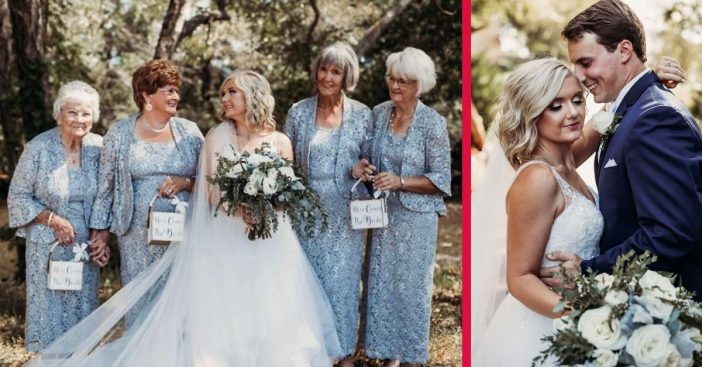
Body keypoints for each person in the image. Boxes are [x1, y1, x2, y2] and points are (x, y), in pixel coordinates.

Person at [26, 70, 342, 366]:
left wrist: (264, 210)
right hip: (226, 234)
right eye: (223, 93)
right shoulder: (217, 136)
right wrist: (239, 208)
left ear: (253, 95)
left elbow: (287, 191)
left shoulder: (280, 141)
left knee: (270, 303)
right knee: (227, 303)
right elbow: (209, 188)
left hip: (271, 238)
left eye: (232, 92)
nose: (225, 99)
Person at [541, 0, 702, 302]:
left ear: (625, 51)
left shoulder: (654, 118)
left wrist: (589, 270)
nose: (578, 76)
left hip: (664, 305)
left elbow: (671, 232)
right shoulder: (629, 112)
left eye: (586, 63)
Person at [353, 47, 451, 367]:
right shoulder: (379, 113)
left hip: (416, 218)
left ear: (419, 84)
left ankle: (408, 356)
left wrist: (401, 180)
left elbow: (440, 179)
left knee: (410, 289)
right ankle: (385, 355)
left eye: (404, 81)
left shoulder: (432, 122)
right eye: (391, 79)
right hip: (383, 215)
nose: (395, 86)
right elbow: (366, 153)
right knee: (380, 283)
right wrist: (366, 168)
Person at [284, 42, 372, 366]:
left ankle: (344, 353)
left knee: (344, 284)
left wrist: (361, 168)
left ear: (347, 76)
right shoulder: (298, 111)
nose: (328, 77)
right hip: (305, 212)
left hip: (347, 213)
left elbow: (369, 159)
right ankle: (311, 353)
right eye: (324, 69)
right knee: (307, 282)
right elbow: (285, 162)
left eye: (336, 71)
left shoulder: (362, 114)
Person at [89, 59, 203, 305]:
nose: (176, 96)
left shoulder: (190, 131)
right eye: (169, 90)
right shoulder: (119, 134)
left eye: (176, 90)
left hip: (185, 231)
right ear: (146, 95)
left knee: (181, 299)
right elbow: (105, 188)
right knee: (141, 299)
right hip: (136, 236)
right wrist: (101, 233)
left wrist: (184, 182)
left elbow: (208, 179)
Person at [7, 81, 108, 352]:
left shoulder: (100, 148)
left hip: (84, 247)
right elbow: (17, 197)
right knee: (48, 315)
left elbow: (107, 195)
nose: (80, 119)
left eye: (86, 113)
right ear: (59, 114)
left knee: (83, 314)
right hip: (47, 246)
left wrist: (102, 236)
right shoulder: (38, 148)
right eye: (72, 112)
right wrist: (54, 220)